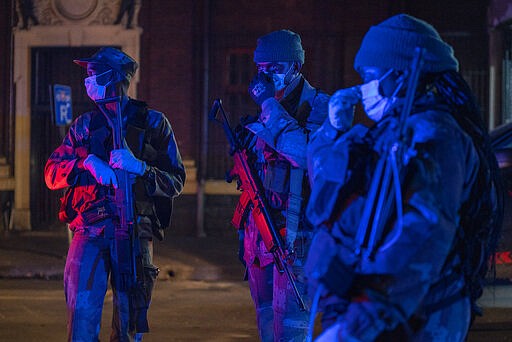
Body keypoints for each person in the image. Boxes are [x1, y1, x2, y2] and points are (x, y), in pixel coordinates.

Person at [304, 14, 503, 341]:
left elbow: (422, 233)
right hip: (382, 312)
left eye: (369, 77)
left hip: (415, 319)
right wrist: (332, 130)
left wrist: (358, 324)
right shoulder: (396, 130)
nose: (362, 88)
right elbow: (330, 192)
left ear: (398, 76)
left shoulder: (432, 135)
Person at [44, 47, 186, 341]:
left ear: (113, 77)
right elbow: (51, 173)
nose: (88, 80)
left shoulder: (154, 124)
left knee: (129, 327)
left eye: (94, 74)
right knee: (81, 323)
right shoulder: (85, 125)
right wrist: (85, 163)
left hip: (134, 232)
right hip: (90, 230)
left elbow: (176, 181)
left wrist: (141, 168)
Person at [234, 29, 329, 341]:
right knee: (265, 323)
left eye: (275, 68)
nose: (266, 76)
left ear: (295, 67)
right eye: (261, 69)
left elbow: (305, 155)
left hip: (297, 237)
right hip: (259, 235)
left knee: (290, 330)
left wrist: (269, 108)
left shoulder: (321, 108)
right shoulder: (264, 111)